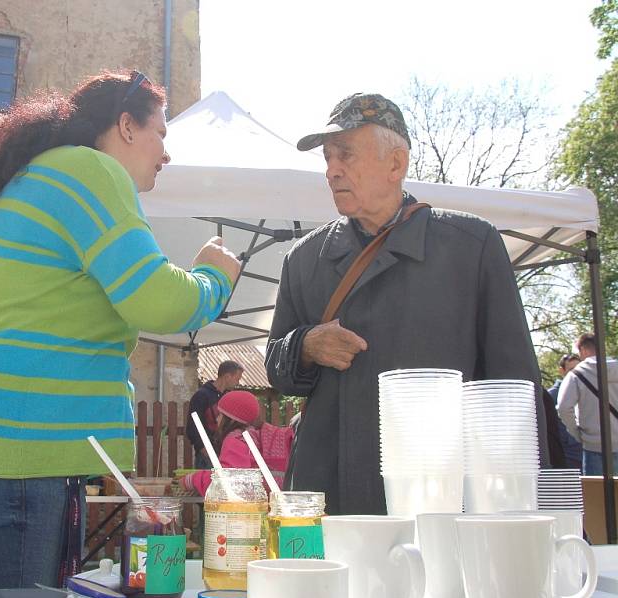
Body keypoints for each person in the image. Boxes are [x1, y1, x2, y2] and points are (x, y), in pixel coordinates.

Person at [0, 70, 241, 589]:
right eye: (161, 133)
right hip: (12, 453)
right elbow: (161, 303)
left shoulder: (45, 176)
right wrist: (215, 275)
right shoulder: (88, 170)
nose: (166, 153)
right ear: (126, 126)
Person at [265, 92, 547, 515]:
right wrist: (305, 346)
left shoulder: (470, 246)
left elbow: (513, 387)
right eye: (327, 158)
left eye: (345, 155)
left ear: (396, 163)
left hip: (440, 494)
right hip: (332, 495)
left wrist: (523, 505)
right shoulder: (305, 259)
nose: (331, 170)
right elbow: (275, 366)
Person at [180, 390, 262, 496]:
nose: (217, 419)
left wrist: (193, 479)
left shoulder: (236, 441)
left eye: (220, 415)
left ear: (231, 420)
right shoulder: (252, 437)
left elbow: (227, 479)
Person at [558, 333, 618, 475]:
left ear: (583, 350)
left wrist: (577, 433)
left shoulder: (576, 375)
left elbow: (563, 407)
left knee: (595, 495)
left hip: (594, 447)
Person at [185, 360, 244, 468]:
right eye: (237, 379)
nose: (238, 383)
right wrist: (204, 449)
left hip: (224, 452)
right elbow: (193, 427)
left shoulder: (228, 397)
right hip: (206, 454)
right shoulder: (201, 395)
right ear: (227, 376)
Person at [548, 353, 583, 469]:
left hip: (585, 450)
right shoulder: (551, 395)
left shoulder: (586, 390)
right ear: (562, 371)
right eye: (571, 370)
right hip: (567, 455)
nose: (576, 374)